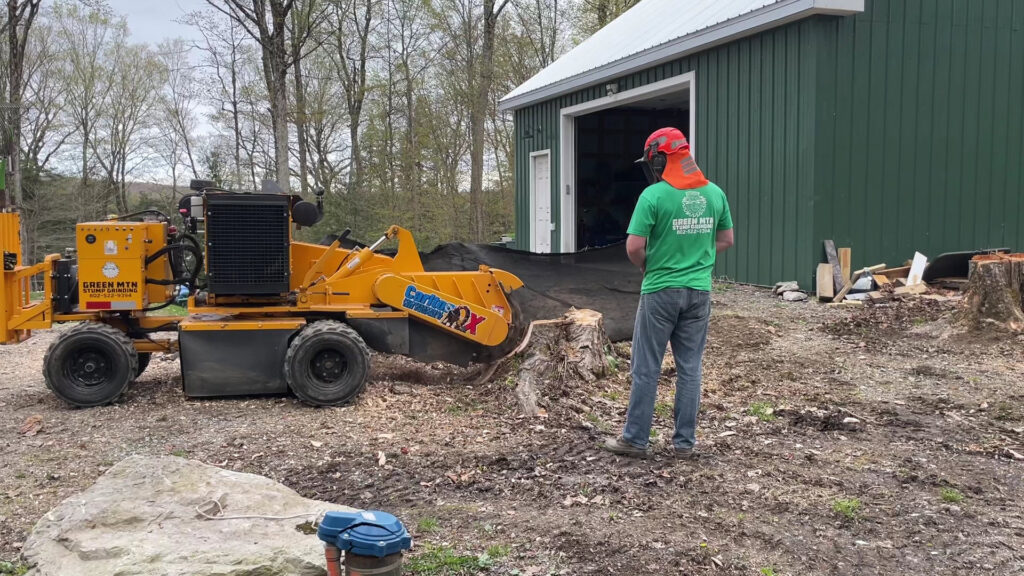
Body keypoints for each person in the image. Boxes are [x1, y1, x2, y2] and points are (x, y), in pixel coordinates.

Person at [603, 127, 734, 459]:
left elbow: (634, 247)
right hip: (699, 292)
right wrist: (696, 255)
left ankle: (635, 440)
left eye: (654, 161)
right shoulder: (715, 194)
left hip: (660, 291)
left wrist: (653, 265)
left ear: (661, 158)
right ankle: (684, 444)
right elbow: (726, 240)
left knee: (647, 367)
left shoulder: (654, 196)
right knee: (690, 367)